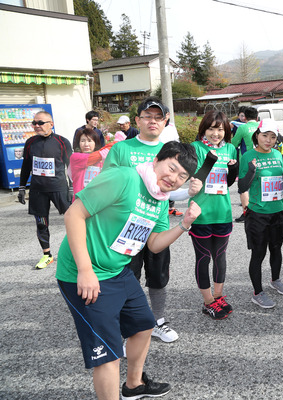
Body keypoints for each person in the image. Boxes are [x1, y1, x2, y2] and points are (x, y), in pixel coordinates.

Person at [56, 141, 201, 400]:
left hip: (118, 270)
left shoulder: (159, 198)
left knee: (144, 325)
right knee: (108, 354)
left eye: (182, 176)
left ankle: (134, 385)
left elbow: (154, 244)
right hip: (85, 272)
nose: (174, 178)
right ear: (158, 159)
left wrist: (185, 224)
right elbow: (73, 215)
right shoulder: (124, 177)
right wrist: (85, 270)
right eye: (171, 168)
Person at [103, 97, 180, 343]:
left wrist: (191, 191)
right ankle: (128, 329)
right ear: (138, 120)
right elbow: (107, 185)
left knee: (158, 276)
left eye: (159, 117)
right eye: (147, 116)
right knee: (128, 277)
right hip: (126, 228)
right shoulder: (122, 149)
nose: (153, 121)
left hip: (157, 225)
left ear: (165, 121)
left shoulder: (169, 152)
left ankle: (157, 321)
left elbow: (174, 188)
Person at [189, 110, 239, 320]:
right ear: (204, 129)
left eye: (219, 129)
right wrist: (210, 160)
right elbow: (195, 178)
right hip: (200, 214)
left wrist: (234, 169)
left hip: (223, 212)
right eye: (211, 129)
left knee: (220, 257)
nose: (215, 133)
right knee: (203, 258)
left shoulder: (230, 149)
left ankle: (218, 296)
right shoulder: (195, 148)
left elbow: (228, 182)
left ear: (226, 131)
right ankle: (207, 301)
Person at [238, 119, 283, 308]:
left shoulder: (278, 154)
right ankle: (257, 292)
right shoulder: (248, 156)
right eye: (264, 135)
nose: (268, 140)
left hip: (278, 211)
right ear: (257, 135)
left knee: (276, 248)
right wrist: (251, 170)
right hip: (257, 213)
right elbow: (242, 186)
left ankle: (275, 280)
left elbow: (280, 182)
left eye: (272, 137)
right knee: (258, 253)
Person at [18, 111, 72, 269]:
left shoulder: (62, 142)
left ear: (51, 124)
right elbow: (26, 166)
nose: (36, 126)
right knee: (41, 223)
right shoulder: (30, 142)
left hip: (59, 188)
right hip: (38, 190)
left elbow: (71, 166)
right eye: (34, 123)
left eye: (40, 123)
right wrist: (22, 188)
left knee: (73, 220)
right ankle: (47, 255)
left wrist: (72, 187)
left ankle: (77, 252)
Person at [68, 128, 126, 200]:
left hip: (99, 201)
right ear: (78, 143)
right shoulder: (75, 157)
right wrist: (116, 143)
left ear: (95, 143)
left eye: (89, 141)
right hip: (81, 201)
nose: (86, 144)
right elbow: (98, 155)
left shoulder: (102, 158)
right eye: (82, 141)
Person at [232, 106, 259, 223]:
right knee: (259, 184)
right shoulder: (262, 126)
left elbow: (234, 143)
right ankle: (259, 210)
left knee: (244, 188)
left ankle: (246, 212)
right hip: (263, 159)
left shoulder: (243, 128)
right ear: (257, 117)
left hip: (246, 160)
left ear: (245, 118)